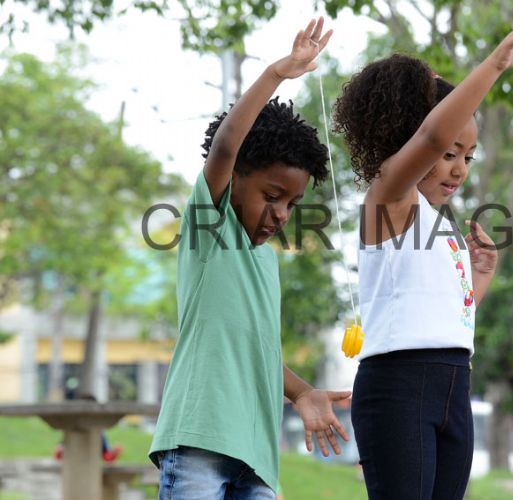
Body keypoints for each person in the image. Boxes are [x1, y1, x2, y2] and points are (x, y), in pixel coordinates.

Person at [332, 22, 513, 499]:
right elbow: (431, 135)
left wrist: (479, 275)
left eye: (469, 156)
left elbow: (449, 316)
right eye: (451, 152)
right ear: (410, 143)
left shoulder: (441, 226)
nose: (459, 167)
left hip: (453, 384)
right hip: (399, 386)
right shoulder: (387, 199)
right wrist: (494, 65)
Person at [148, 17, 350, 499]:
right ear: (235, 177)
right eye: (272, 195)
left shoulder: (265, 263)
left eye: (292, 205)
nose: (281, 214)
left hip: (257, 457)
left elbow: (256, 351)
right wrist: (278, 73)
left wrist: (302, 392)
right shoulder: (210, 227)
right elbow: (226, 145)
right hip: (198, 444)